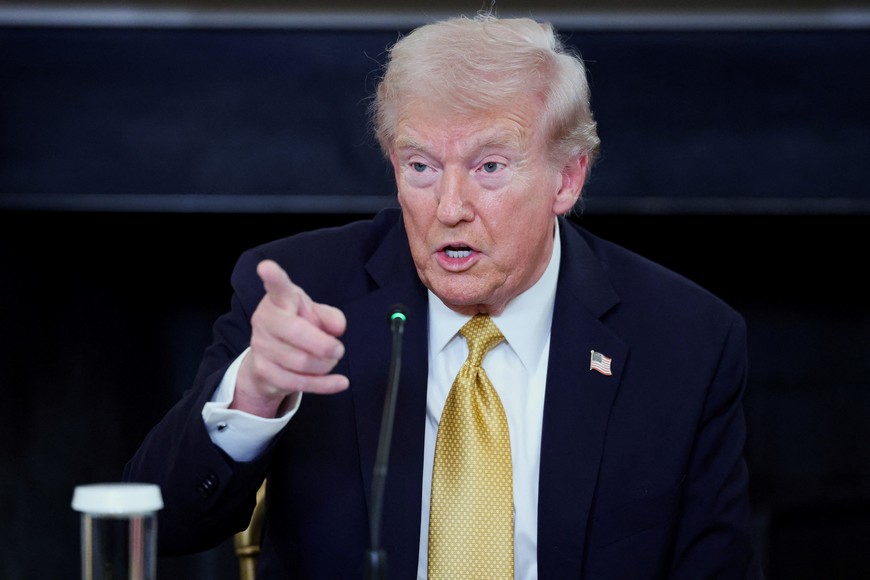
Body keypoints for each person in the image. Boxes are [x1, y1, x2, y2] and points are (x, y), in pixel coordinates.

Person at [124, 13, 764, 579]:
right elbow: (156, 527)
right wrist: (254, 391)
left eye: (490, 167)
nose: (450, 208)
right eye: (422, 167)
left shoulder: (685, 340)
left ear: (567, 179)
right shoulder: (307, 293)